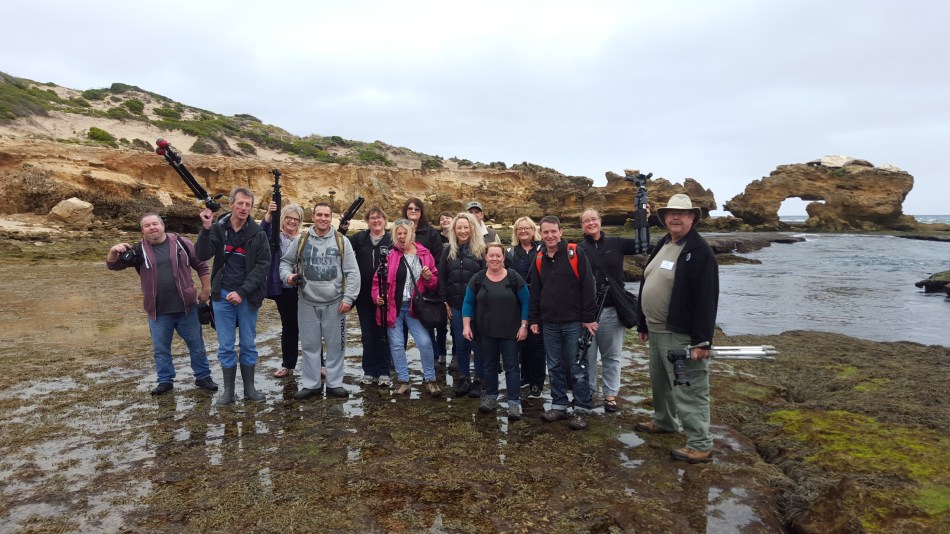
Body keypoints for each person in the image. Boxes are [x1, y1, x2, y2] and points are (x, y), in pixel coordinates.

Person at [635, 194, 719, 463]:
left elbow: (707, 298)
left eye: (681, 214)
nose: (675, 217)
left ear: (692, 218)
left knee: (688, 386)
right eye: (670, 213)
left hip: (680, 334)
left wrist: (702, 341)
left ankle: (700, 442)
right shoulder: (664, 243)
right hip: (657, 331)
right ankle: (665, 422)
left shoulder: (699, 251)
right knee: (660, 383)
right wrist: (642, 323)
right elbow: (647, 282)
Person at [107, 213, 217, 395]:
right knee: (161, 350)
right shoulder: (138, 249)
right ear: (142, 230)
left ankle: (203, 377)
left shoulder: (182, 243)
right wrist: (112, 251)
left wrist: (206, 289)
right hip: (158, 311)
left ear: (163, 225)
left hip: (186, 308)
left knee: (196, 345)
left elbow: (201, 265)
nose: (152, 228)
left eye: (155, 224)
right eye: (147, 226)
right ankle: (165, 381)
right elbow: (114, 266)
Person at [196, 187, 271, 405]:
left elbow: (262, 266)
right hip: (222, 296)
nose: (244, 208)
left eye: (248, 204)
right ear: (231, 205)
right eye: (240, 203)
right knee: (226, 346)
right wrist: (206, 228)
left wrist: (242, 292)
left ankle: (250, 389)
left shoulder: (258, 234)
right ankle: (228, 391)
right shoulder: (219, 228)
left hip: (247, 297)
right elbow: (201, 254)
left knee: (248, 344)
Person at [279, 202, 360, 400]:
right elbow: (285, 263)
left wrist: (349, 298)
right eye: (319, 215)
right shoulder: (301, 240)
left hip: (335, 303)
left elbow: (353, 272)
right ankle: (311, 384)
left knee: (336, 346)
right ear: (312, 217)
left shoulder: (342, 241)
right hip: (306, 302)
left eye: (326, 215)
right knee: (309, 345)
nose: (323, 218)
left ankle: (334, 384)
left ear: (330, 218)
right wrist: (288, 277)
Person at [529, 215, 598, 430]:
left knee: (577, 366)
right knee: (555, 365)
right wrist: (534, 319)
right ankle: (559, 405)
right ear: (541, 234)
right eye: (545, 232)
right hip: (549, 323)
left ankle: (582, 408)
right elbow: (535, 290)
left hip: (573, 322)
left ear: (560, 232)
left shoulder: (575, 253)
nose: (550, 236)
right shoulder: (539, 257)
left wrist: (588, 318)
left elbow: (588, 286)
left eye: (553, 231)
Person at [578, 208, 642, 413]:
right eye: (586, 221)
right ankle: (587, 392)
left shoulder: (617, 243)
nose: (590, 223)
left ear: (600, 221)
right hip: (586, 312)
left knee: (611, 355)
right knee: (586, 356)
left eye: (593, 219)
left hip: (613, 308)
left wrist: (642, 219)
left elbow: (644, 244)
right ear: (582, 225)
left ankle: (610, 395)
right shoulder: (578, 249)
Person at [371, 219, 442, 396]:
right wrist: (377, 297)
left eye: (405, 233)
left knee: (425, 343)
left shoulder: (424, 254)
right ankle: (404, 381)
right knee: (396, 345)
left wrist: (428, 278)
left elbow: (434, 284)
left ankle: (431, 380)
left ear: (412, 234)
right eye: (398, 234)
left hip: (415, 308)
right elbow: (376, 281)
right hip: (393, 307)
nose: (401, 237)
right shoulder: (390, 255)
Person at [462, 242, 530, 420]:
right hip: (485, 331)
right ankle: (491, 396)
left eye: (498, 255)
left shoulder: (514, 278)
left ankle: (514, 402)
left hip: (511, 332)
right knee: (489, 366)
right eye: (491, 255)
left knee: (512, 367)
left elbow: (526, 302)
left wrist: (524, 326)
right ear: (486, 257)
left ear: (503, 257)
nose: (494, 259)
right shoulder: (478, 278)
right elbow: (468, 302)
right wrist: (466, 325)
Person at [439, 212, 487, 398]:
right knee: (461, 343)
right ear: (454, 229)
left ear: (472, 228)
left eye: (466, 227)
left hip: (476, 307)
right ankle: (464, 377)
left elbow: (486, 278)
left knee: (477, 343)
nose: (462, 231)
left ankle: (479, 379)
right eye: (459, 227)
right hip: (455, 305)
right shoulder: (447, 250)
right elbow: (442, 277)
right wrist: (445, 302)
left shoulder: (480, 250)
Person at [348, 205, 393, 386]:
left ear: (385, 220)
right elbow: (340, 245)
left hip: (384, 296)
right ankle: (368, 371)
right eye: (372, 218)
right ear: (367, 221)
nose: (376, 221)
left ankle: (384, 372)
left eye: (379, 218)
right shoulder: (360, 238)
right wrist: (343, 227)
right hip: (364, 296)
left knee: (383, 334)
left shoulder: (391, 240)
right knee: (367, 335)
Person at [261, 203, 304, 378]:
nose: (292, 222)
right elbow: (260, 232)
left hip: (304, 289)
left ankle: (319, 365)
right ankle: (288, 365)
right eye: (289, 218)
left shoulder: (304, 238)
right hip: (284, 289)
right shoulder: (274, 237)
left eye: (296, 219)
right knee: (289, 327)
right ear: (283, 219)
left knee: (312, 328)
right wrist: (269, 215)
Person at [506, 216, 546, 398]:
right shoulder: (511, 253)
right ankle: (525, 377)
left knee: (537, 344)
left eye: (526, 228)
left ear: (533, 230)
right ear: (516, 232)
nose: (523, 231)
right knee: (521, 342)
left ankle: (537, 382)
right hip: (517, 303)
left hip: (540, 302)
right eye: (519, 229)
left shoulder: (542, 249)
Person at [434, 211, 454, 367]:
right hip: (438, 281)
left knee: (455, 324)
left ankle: (456, 355)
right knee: (440, 323)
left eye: (448, 217)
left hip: (454, 282)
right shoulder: (435, 237)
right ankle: (440, 353)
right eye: (442, 218)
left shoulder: (459, 236)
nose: (445, 219)